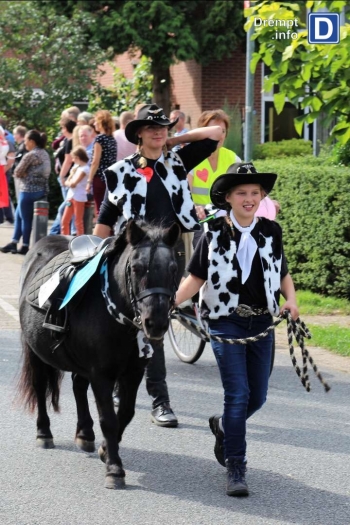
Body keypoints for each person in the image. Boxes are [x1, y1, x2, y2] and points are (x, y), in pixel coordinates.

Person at [93, 103, 222, 427]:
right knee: (137, 324)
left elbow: (216, 133)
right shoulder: (121, 171)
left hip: (171, 252)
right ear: (137, 134)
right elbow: (106, 219)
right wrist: (93, 255)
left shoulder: (177, 161)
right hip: (134, 257)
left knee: (155, 323)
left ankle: (159, 400)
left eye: (163, 126)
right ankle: (151, 396)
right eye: (151, 128)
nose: (158, 131)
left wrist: (174, 141)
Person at [174, 162, 299, 497]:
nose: (249, 198)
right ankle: (236, 467)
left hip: (261, 321)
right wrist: (173, 301)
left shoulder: (271, 231)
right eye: (241, 193)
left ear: (262, 197)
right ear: (227, 197)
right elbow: (197, 275)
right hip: (225, 319)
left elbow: (282, 271)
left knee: (257, 396)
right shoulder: (212, 230)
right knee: (238, 394)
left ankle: (224, 427)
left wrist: (292, 300)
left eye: (255, 193)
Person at [0, 130, 51, 255]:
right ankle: (13, 242)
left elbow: (17, 171)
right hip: (41, 190)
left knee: (25, 218)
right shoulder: (44, 153)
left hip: (27, 190)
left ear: (32, 142)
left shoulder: (30, 155)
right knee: (18, 215)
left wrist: (25, 174)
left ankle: (25, 246)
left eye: (26, 140)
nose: (25, 143)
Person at [86, 110, 117, 215]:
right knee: (109, 209)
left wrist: (89, 180)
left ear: (100, 123)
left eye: (95, 121)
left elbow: (95, 161)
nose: (94, 124)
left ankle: (102, 231)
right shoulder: (112, 139)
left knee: (100, 208)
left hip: (99, 178)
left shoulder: (99, 139)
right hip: (111, 178)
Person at [61, 146, 89, 236]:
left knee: (78, 221)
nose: (72, 160)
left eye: (73, 158)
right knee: (65, 220)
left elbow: (73, 183)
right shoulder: (77, 167)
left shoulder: (85, 169)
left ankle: (80, 240)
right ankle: (64, 239)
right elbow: (70, 182)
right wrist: (68, 182)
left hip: (79, 197)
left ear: (77, 157)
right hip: (71, 196)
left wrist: (67, 183)